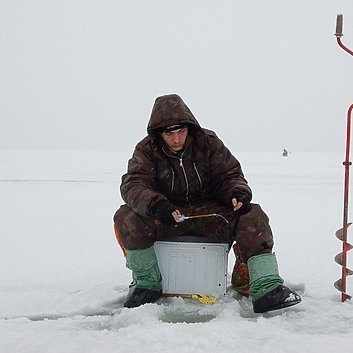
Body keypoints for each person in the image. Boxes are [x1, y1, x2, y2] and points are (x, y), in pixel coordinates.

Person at [113, 94, 301, 313]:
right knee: (126, 217)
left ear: (189, 127)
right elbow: (134, 184)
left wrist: (237, 193)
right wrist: (157, 205)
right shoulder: (146, 150)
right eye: (169, 133)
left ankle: (266, 287)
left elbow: (229, 175)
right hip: (169, 214)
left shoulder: (208, 143)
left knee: (252, 215)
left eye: (180, 131)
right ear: (158, 133)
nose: (176, 139)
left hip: (210, 213)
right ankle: (147, 285)